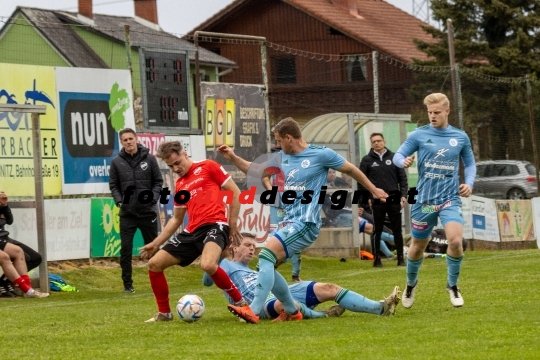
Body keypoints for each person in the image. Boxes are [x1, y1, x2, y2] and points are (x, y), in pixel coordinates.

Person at [218, 117, 388, 323]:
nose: (278, 145)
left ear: (289, 138)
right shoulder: (281, 158)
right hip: (289, 222)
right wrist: (233, 157)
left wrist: (373, 189)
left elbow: (351, 169)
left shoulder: (321, 154)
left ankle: (253, 310)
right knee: (268, 264)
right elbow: (255, 170)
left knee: (265, 258)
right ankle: (295, 309)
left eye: (279, 140)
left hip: (306, 223)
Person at [139, 141, 252, 322]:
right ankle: (164, 313)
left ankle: (242, 305)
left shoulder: (208, 166)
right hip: (192, 231)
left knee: (208, 265)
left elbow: (236, 192)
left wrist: (232, 223)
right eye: (170, 166)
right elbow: (176, 219)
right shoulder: (181, 185)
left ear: (184, 154)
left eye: (177, 163)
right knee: (154, 264)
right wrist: (155, 243)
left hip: (216, 225)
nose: (175, 168)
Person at [393, 93, 475, 308]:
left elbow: (470, 164)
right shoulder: (419, 135)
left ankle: (452, 285)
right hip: (425, 201)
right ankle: (411, 284)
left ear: (447, 111)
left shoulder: (460, 137)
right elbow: (397, 155)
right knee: (417, 246)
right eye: (429, 112)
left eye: (436, 112)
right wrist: (404, 161)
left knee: (455, 241)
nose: (432, 116)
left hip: (449, 199)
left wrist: (469, 183)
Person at [203, 233, 401, 320]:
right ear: (234, 247)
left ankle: (380, 308)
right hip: (261, 304)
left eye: (254, 246)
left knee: (329, 288)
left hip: (282, 292)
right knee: (286, 306)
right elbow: (207, 280)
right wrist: (216, 254)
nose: (252, 250)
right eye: (247, 245)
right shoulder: (225, 265)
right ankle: (323, 315)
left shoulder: (258, 269)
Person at [109, 128, 163, 293]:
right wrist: (120, 202)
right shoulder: (116, 162)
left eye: (131, 139)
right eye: (125, 140)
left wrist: (152, 198)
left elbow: (158, 182)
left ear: (136, 139)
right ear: (121, 142)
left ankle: (159, 283)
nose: (129, 142)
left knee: (154, 249)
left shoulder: (150, 159)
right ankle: (128, 285)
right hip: (128, 215)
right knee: (125, 249)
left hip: (148, 213)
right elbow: (114, 185)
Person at [359, 133, 408, 268]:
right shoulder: (366, 160)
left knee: (397, 230)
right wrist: (365, 200)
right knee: (377, 230)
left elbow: (402, 179)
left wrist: (404, 195)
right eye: (374, 141)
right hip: (376, 201)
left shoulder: (394, 158)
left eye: (379, 141)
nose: (376, 143)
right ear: (371, 144)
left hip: (393, 199)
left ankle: (401, 259)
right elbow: (362, 182)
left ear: (384, 141)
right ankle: (377, 260)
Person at [0, 191, 48, 298]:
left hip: (3, 237)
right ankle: (27, 290)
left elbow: (9, 221)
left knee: (33, 257)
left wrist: (4, 205)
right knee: (6, 256)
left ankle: (27, 290)